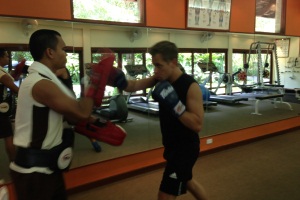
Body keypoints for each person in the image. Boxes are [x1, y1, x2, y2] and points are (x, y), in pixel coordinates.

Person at [10, 29, 116, 200]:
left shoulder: (48, 80)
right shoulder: (40, 83)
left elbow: (74, 115)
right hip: (34, 172)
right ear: (50, 52)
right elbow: (81, 112)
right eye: (63, 49)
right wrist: (96, 79)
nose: (66, 54)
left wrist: (95, 122)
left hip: (48, 168)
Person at [108, 41, 208, 199]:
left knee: (165, 195)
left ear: (173, 62)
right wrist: (119, 81)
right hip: (171, 145)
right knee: (188, 182)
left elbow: (197, 124)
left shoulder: (190, 86)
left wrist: (176, 106)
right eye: (154, 65)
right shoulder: (160, 78)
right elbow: (133, 85)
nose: (156, 70)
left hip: (185, 149)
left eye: (159, 65)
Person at [0, 48, 19, 162]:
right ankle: (15, 165)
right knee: (9, 137)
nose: (8, 58)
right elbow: (16, 89)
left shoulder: (2, 72)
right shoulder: (2, 74)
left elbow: (11, 77)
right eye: (6, 56)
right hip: (1, 112)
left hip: (3, 110)